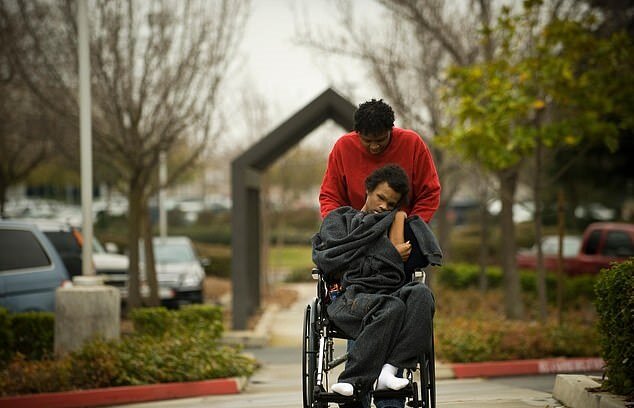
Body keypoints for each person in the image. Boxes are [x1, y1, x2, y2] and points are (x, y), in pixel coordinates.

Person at [319, 99, 441, 408]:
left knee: (418, 298)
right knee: (383, 308)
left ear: (392, 131)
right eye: (367, 140)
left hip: (395, 265)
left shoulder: (411, 144)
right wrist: (351, 232)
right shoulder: (344, 152)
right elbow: (330, 196)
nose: (373, 147)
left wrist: (408, 224)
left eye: (380, 140)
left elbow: (429, 191)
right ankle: (355, 387)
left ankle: (390, 375)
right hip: (357, 285)